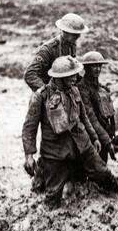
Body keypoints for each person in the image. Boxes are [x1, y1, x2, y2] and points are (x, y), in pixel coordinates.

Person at [22, 56, 118, 209]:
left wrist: (94, 138)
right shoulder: (40, 97)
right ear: (59, 78)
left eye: (75, 74)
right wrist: (29, 155)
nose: (75, 78)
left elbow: (84, 117)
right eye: (71, 76)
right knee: (52, 199)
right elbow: (29, 127)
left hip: (82, 146)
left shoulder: (74, 90)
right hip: (55, 154)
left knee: (105, 175)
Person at [23, 13, 89, 192]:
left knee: (67, 136)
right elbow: (30, 74)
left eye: (78, 34)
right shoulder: (48, 49)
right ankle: (40, 180)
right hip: (47, 99)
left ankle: (69, 174)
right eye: (73, 34)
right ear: (62, 31)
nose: (76, 38)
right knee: (50, 142)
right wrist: (46, 92)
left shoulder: (71, 47)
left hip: (63, 96)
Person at [78, 51, 116, 163]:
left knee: (103, 163)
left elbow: (109, 115)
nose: (97, 69)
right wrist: (107, 141)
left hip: (103, 134)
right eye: (94, 66)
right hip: (90, 136)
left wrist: (111, 134)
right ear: (86, 67)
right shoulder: (82, 89)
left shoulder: (101, 88)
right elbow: (90, 118)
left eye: (99, 66)